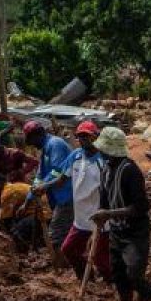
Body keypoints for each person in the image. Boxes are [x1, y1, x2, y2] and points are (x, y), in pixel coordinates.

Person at [89, 127, 151, 301]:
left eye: (104, 149)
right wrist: (101, 217)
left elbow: (141, 207)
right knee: (119, 274)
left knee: (134, 274)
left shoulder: (130, 171)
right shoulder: (106, 169)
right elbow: (104, 200)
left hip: (135, 231)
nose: (101, 152)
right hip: (116, 230)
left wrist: (109, 214)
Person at [58, 121, 112, 283]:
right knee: (68, 249)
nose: (83, 140)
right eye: (80, 137)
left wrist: (107, 211)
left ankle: (112, 282)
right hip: (81, 217)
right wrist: (44, 186)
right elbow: (61, 177)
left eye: (87, 137)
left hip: (101, 216)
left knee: (100, 257)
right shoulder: (75, 156)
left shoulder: (105, 160)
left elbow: (111, 189)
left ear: (96, 137)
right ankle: (86, 278)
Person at [23, 121, 75, 256]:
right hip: (57, 197)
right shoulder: (46, 149)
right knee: (66, 230)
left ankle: (61, 265)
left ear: (38, 134)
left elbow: (58, 171)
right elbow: (40, 175)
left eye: (32, 140)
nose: (32, 144)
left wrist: (42, 187)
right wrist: (29, 198)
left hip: (68, 195)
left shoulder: (55, 144)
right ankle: (68, 260)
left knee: (55, 233)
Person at [0, 173, 50, 251]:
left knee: (15, 232)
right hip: (46, 214)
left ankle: (24, 250)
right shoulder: (14, 186)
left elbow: (6, 220)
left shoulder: (6, 193)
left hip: (41, 216)